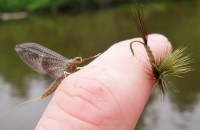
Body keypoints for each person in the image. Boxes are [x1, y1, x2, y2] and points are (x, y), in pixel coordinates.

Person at [35, 34, 172, 130]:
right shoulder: (68, 66)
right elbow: (67, 74)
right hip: (61, 78)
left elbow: (80, 65)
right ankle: (42, 95)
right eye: (78, 60)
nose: (79, 61)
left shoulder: (74, 65)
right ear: (75, 62)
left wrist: (94, 58)